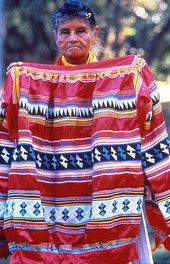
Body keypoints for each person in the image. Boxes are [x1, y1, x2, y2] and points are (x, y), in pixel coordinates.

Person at [0, 1, 169, 264]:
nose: (73, 38)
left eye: (81, 30)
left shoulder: (123, 79)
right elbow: (8, 138)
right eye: (65, 32)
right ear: (56, 36)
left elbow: (152, 136)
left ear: (95, 33)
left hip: (111, 199)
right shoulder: (29, 84)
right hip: (49, 202)